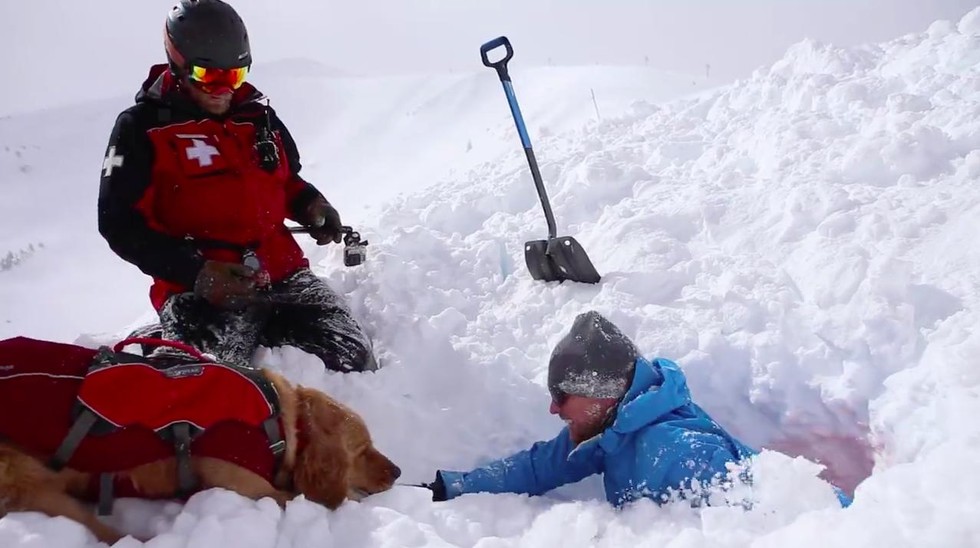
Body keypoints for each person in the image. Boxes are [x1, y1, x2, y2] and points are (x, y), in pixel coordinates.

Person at [98, 0, 375, 372]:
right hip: (198, 291)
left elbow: (285, 180)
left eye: (235, 76)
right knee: (212, 385)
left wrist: (312, 204)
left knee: (349, 357)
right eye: (209, 76)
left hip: (284, 274)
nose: (223, 88)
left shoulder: (258, 117)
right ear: (178, 63)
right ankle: (169, 342)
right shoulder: (141, 129)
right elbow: (119, 223)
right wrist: (196, 272)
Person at [423, 311, 851, 508]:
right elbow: (540, 468)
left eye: (562, 395)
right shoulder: (612, 427)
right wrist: (453, 486)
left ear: (602, 395)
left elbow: (762, 529)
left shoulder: (676, 451)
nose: (553, 409)